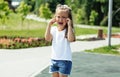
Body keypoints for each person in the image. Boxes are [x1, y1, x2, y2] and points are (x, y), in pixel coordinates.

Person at [45, 4, 76, 77]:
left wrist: (69, 25)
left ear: (68, 19)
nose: (60, 19)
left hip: (65, 60)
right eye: (58, 17)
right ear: (55, 18)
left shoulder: (68, 30)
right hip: (54, 60)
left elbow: (71, 39)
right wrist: (49, 25)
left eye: (63, 17)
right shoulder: (53, 30)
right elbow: (47, 38)